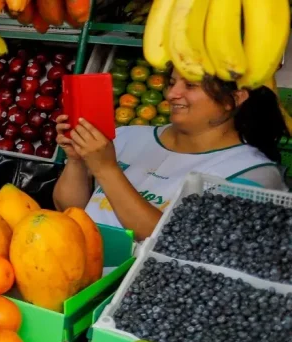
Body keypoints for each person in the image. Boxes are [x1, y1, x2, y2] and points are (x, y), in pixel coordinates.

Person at [53, 68, 289, 241]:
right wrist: (76, 161)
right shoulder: (126, 137)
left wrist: (106, 170)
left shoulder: (252, 174)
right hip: (81, 280)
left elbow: (175, 240)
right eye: (172, 82)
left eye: (191, 85)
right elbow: (72, 210)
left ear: (235, 99)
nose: (172, 94)